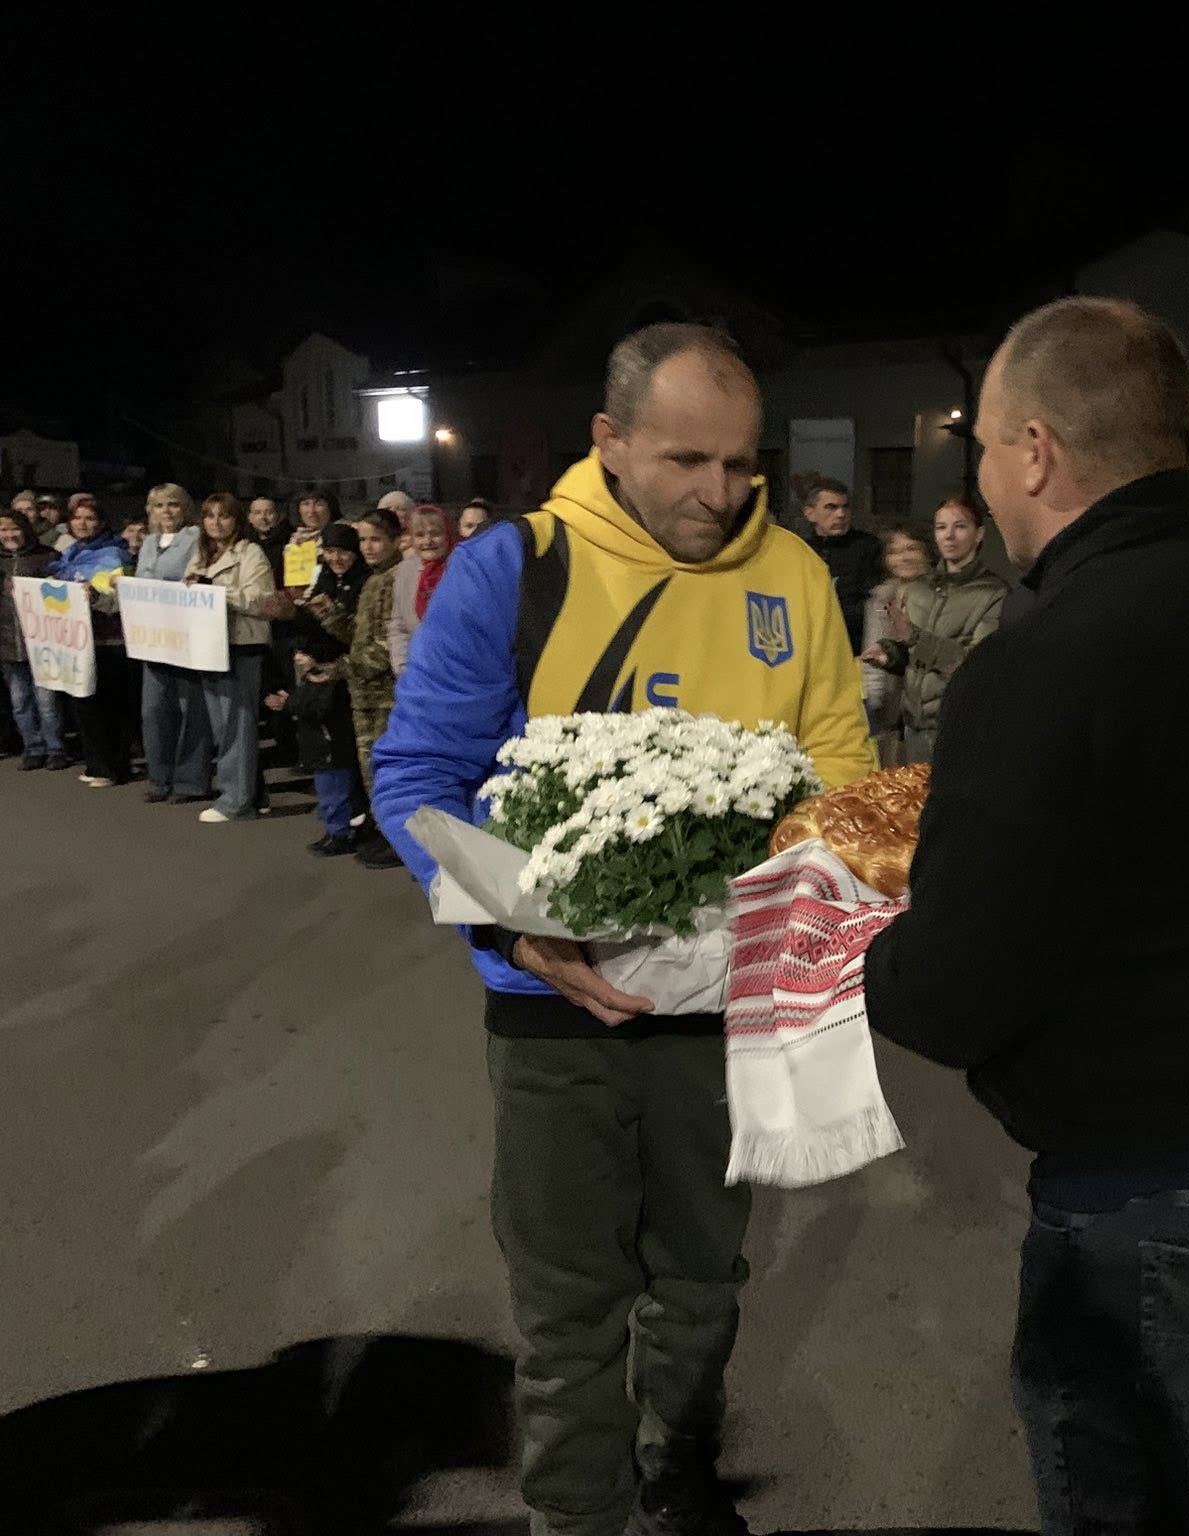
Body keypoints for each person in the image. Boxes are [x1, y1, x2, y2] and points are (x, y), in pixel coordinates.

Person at [865, 297, 1189, 1536]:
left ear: (1035, 451)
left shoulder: (1044, 656)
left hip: (1176, 1205)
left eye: (981, 448)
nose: (977, 479)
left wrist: (863, 935)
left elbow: (949, 997)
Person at [373, 323, 874, 1536]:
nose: (718, 491)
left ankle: (678, 1482)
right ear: (608, 440)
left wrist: (828, 919)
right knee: (568, 1308)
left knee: (702, 1281)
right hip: (552, 1008)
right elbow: (418, 777)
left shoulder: (795, 574)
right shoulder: (516, 567)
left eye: (740, 463)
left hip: (730, 1009)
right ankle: (575, 1517)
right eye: (685, 460)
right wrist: (516, 933)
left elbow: (845, 775)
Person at [860, 497, 1010, 764]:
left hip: (960, 727)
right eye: (941, 527)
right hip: (913, 728)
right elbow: (915, 656)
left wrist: (915, 638)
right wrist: (891, 655)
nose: (949, 536)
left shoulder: (993, 593)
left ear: (979, 534)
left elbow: (977, 665)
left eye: (960, 526)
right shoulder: (921, 588)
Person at [185, 494, 276, 824]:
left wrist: (215, 592)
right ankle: (254, 793)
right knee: (224, 725)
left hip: (242, 644)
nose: (216, 522)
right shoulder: (200, 554)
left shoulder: (250, 553)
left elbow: (261, 599)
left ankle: (235, 801)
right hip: (209, 644)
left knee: (236, 724)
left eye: (223, 516)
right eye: (209, 516)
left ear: (237, 520)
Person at [132, 484, 214, 804]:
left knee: (191, 711)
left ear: (185, 508)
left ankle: (190, 781)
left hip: (185, 637)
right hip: (152, 639)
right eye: (159, 505)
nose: (166, 511)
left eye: (173, 505)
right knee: (154, 711)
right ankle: (159, 778)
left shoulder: (195, 538)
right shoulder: (148, 543)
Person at [50, 498, 135, 787]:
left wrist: (94, 595)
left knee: (109, 704)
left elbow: (118, 597)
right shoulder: (69, 553)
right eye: (77, 518)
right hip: (77, 640)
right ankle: (96, 762)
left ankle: (114, 766)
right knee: (83, 703)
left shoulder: (114, 554)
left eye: (89, 518)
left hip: (109, 639)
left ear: (100, 522)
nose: (82, 523)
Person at [341, 509, 406, 869]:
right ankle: (385, 833)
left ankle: (400, 840)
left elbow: (386, 644)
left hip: (386, 696)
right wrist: (326, 613)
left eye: (376, 540)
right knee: (371, 770)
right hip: (365, 694)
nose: (367, 547)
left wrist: (343, 668)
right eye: (363, 540)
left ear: (396, 541)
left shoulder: (397, 579)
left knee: (387, 770)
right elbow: (359, 635)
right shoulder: (374, 579)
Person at [269, 629, 363, 856]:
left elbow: (317, 709)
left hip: (331, 752)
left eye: (303, 653)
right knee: (331, 795)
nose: (297, 658)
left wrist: (289, 703)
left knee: (334, 796)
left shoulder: (328, 683)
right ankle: (336, 831)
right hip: (323, 751)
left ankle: (338, 835)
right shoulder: (314, 679)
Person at [859, 526, 932, 767]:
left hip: (930, 709)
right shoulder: (880, 600)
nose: (904, 557)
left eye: (912, 548)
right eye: (895, 551)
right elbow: (872, 651)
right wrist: (873, 701)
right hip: (889, 710)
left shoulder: (942, 595)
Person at [1, 507, 67, 770]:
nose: (9, 534)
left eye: (14, 528)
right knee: (20, 702)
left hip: (42, 643)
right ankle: (32, 747)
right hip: (7, 644)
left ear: (25, 530)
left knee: (47, 701)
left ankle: (55, 748)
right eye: (3, 530)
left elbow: (61, 594)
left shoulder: (46, 556)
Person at [798, 478, 886, 651]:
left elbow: (871, 602)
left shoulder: (869, 546)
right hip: (807, 644)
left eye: (845, 507)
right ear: (810, 513)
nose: (841, 514)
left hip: (855, 646)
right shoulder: (800, 551)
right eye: (831, 507)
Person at [388, 504, 455, 678]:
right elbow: (398, 626)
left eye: (435, 534)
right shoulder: (405, 571)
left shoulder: (461, 569)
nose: (427, 541)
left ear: (448, 534)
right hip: (416, 672)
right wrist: (403, 668)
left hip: (457, 671)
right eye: (419, 535)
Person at [247, 496, 291, 584]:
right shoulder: (242, 544)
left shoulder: (290, 542)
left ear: (278, 516)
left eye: (269, 513)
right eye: (258, 513)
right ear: (249, 517)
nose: (263, 517)